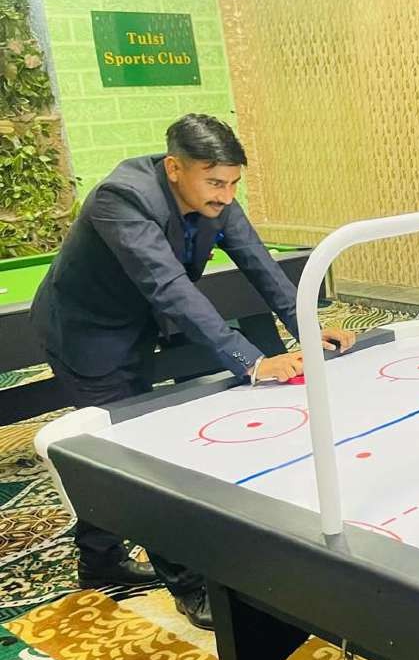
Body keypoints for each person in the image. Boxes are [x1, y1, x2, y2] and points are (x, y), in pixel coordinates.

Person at [32, 114, 355, 631]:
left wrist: (308, 328)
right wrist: (253, 361)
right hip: (87, 333)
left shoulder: (217, 198)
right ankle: (188, 586)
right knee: (132, 454)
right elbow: (168, 287)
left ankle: (98, 561)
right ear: (174, 168)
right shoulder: (122, 198)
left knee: (123, 446)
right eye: (215, 182)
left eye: (233, 183)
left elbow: (259, 263)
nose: (227, 195)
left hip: (143, 325)